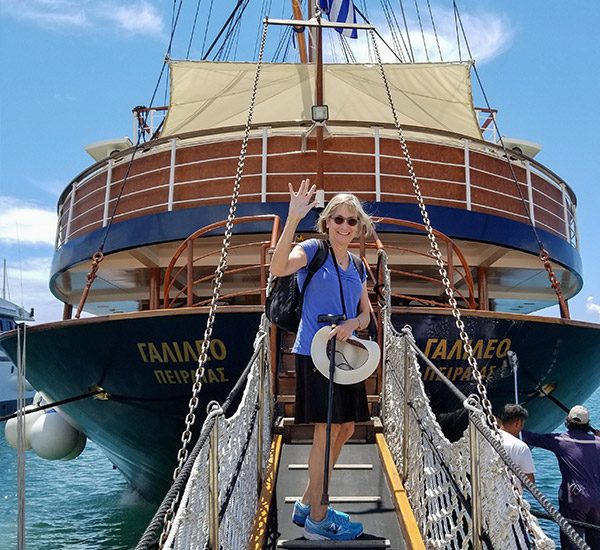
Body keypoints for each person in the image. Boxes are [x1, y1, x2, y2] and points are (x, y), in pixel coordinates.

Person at [270, 179, 374, 541]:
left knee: (345, 429)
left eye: (352, 221)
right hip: (314, 355)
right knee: (325, 432)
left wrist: (352, 324)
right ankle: (317, 518)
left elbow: (367, 316)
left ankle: (306, 502)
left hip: (347, 356)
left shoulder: (359, 265)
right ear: (327, 222)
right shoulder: (313, 249)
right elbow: (278, 267)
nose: (345, 226)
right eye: (339, 219)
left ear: (358, 227)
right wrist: (293, 218)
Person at [522, 405, 600, 550]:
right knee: (596, 543)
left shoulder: (560, 440)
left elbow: (529, 437)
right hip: (597, 499)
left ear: (568, 421)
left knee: (572, 542)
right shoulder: (597, 442)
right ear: (587, 423)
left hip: (574, 498)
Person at [499, 404, 535, 485]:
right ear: (517, 423)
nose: (521, 428)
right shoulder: (521, 447)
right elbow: (530, 483)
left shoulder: (487, 436)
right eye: (522, 425)